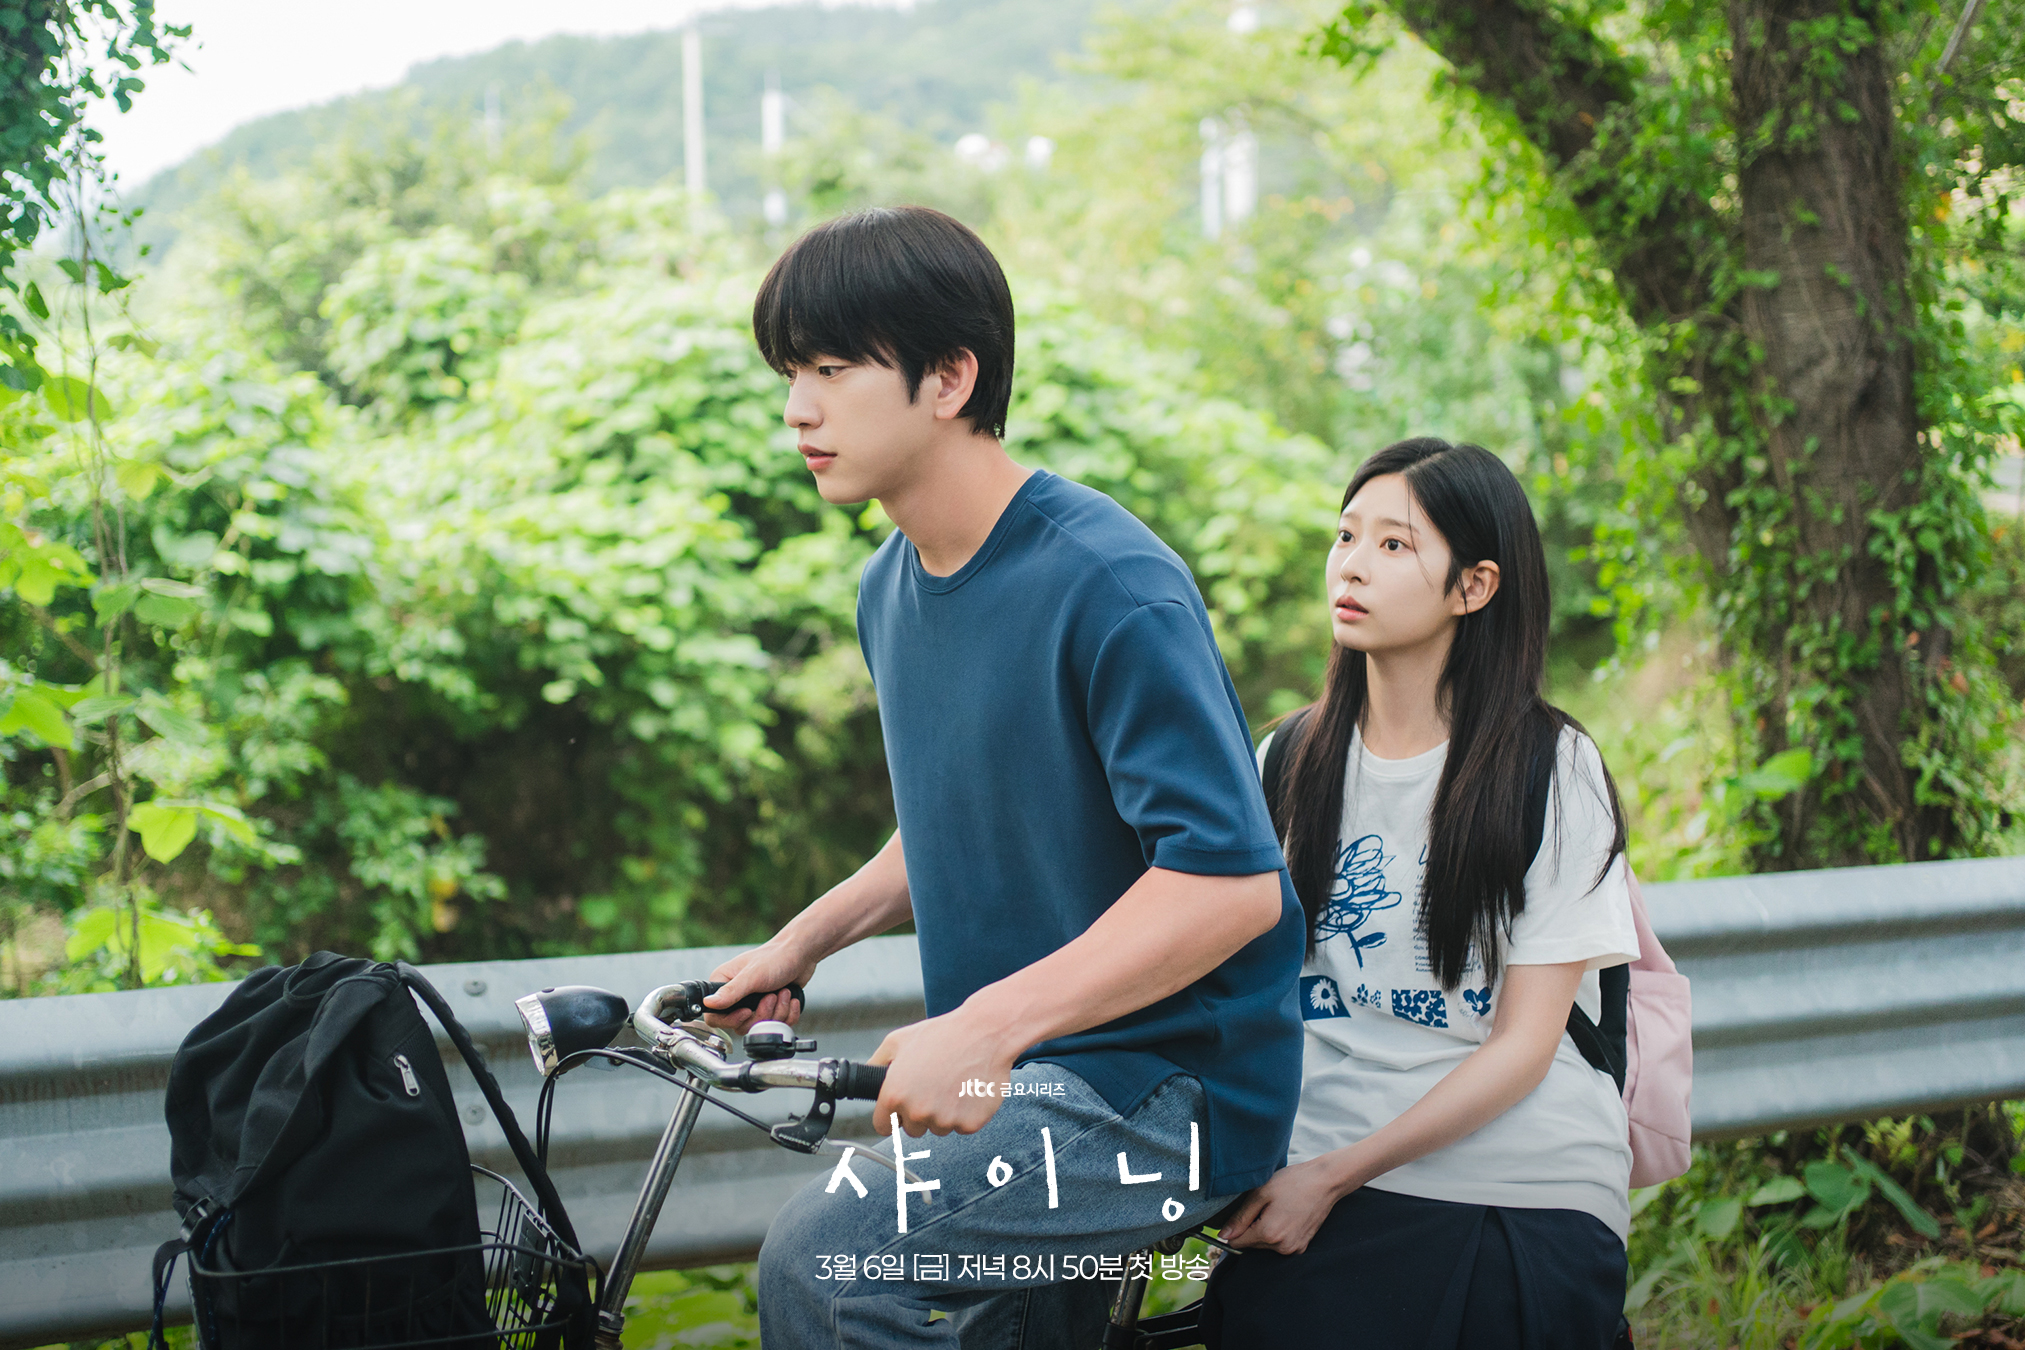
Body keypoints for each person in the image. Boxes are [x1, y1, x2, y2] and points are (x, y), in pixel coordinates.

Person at [702, 204, 1307, 1350]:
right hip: (1029, 1074)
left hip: (1164, 1092)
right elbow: (959, 815)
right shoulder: (890, 588)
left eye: (832, 369)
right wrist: (803, 942)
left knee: (831, 1263)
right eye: (790, 374)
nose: (797, 410)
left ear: (950, 378)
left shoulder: (1109, 583)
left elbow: (1231, 886)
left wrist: (983, 1027)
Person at [1200, 437, 1637, 1350]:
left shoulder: (1550, 767)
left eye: (1393, 544)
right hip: (1316, 1159)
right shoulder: (1288, 760)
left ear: (1474, 586)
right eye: (1345, 535)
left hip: (1514, 1178)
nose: (1351, 565)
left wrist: (1337, 1176)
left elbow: (1524, 1046)